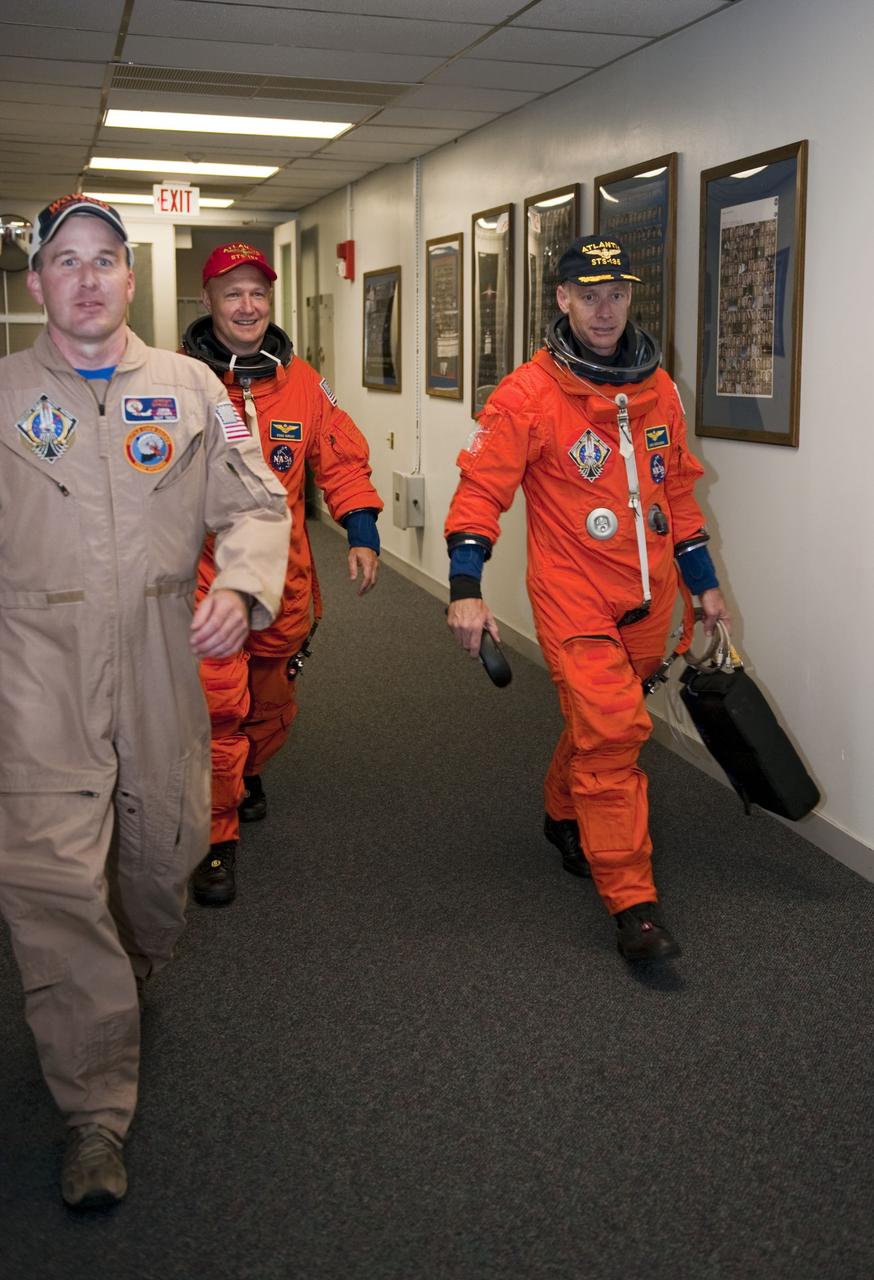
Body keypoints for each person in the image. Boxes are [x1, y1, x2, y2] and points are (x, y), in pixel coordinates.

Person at [0, 195, 290, 1208]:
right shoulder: (1, 396)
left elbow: (256, 499)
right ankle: (92, 1108)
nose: (85, 277)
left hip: (162, 654)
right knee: (52, 883)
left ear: (132, 279)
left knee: (161, 859)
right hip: (35, 665)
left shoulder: (190, 386)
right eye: (63, 261)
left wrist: (240, 582)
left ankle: (127, 973)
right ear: (37, 283)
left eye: (104, 259)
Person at [445, 235, 731, 964]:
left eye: (617, 294)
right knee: (611, 733)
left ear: (630, 298)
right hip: (574, 596)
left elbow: (676, 494)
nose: (604, 310)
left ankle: (559, 812)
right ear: (563, 299)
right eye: (588, 294)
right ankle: (633, 901)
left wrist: (704, 588)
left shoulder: (659, 389)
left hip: (649, 600)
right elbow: (481, 489)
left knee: (603, 720)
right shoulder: (528, 394)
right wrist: (466, 586)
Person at [182, 243, 383, 906]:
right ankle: (217, 837)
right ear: (207, 301)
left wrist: (361, 532)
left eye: (258, 294)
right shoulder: (177, 384)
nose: (247, 306)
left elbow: (342, 461)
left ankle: (246, 773)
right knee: (217, 711)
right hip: (206, 584)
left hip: (285, 583)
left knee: (271, 710)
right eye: (232, 293)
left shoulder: (302, 381)